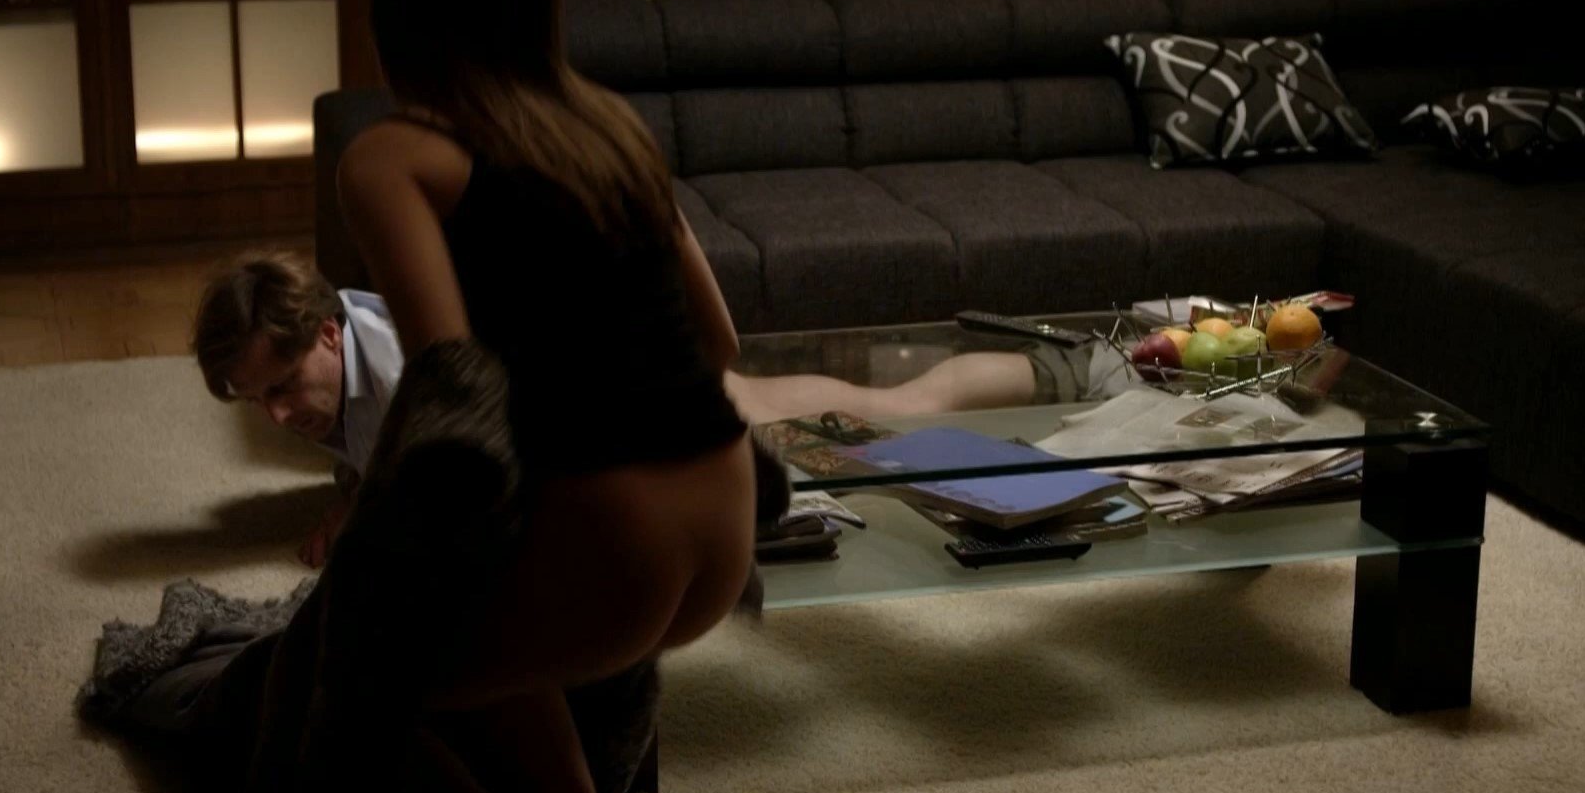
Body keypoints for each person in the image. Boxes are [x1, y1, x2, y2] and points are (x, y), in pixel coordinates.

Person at [191, 250, 1051, 569]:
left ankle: (1062, 365)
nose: (276, 417)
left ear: (328, 335)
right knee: (878, 416)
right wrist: (352, 497)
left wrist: (368, 516)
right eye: (254, 399)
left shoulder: (406, 366)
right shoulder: (342, 368)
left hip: (631, 402)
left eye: (281, 386)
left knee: (894, 410)